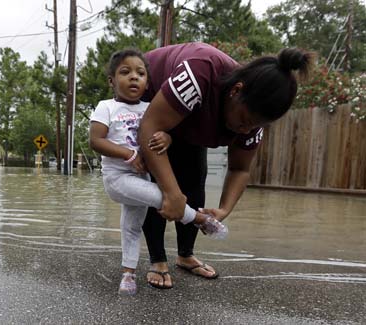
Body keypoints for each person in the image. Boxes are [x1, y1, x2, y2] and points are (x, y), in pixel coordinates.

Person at [136, 42, 313, 288]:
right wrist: (171, 192)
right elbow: (150, 127)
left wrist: (224, 209)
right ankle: (158, 259)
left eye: (255, 126)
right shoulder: (200, 74)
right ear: (236, 91)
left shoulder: (253, 121)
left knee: (195, 181)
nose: (246, 130)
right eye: (245, 121)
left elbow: (240, 169)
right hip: (149, 100)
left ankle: (185, 254)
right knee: (159, 186)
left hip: (190, 118)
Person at [89, 49, 227, 296]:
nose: (134, 77)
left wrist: (167, 138)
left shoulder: (150, 107)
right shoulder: (106, 107)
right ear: (111, 80)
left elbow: (164, 132)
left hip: (141, 176)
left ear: (147, 83)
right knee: (162, 196)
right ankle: (199, 219)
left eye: (140, 73)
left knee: (131, 226)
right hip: (118, 178)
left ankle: (128, 274)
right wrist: (129, 155)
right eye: (125, 72)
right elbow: (96, 141)